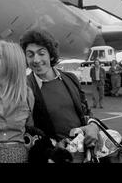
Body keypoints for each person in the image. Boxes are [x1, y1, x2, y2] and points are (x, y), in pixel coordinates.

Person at [19, 29, 99, 160]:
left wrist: (93, 126)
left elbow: (86, 111)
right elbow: (27, 129)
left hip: (85, 150)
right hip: (56, 156)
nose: (36, 60)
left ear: (51, 55)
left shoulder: (70, 78)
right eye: (30, 55)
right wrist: (52, 147)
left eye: (41, 53)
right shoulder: (25, 87)